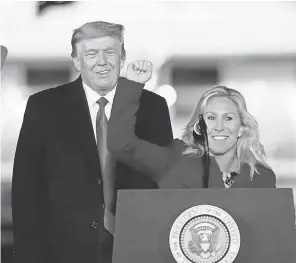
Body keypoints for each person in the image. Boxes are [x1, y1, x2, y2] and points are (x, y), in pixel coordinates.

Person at [11, 22, 173, 263]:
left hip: (137, 249)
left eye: (110, 52)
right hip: (63, 252)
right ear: (76, 61)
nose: (102, 61)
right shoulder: (43, 107)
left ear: (123, 57)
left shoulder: (153, 107)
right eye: (91, 54)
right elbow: (26, 190)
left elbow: (165, 181)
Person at [108, 61, 276, 189]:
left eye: (228, 118)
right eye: (210, 118)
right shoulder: (174, 159)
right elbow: (121, 144)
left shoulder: (262, 178)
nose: (219, 126)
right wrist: (132, 86)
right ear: (199, 126)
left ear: (242, 128)